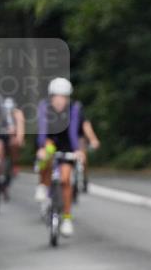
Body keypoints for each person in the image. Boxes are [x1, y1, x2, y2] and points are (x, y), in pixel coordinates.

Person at [34, 77, 101, 236]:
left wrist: (77, 150)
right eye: (56, 97)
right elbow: (42, 129)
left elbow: (73, 131)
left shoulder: (74, 109)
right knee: (47, 152)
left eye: (63, 97)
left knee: (65, 180)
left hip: (67, 144)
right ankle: (42, 185)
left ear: (68, 97)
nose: (59, 101)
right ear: (51, 97)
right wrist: (41, 147)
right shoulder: (45, 107)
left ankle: (67, 218)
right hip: (51, 140)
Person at [2, 97, 26, 177]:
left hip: (13, 136)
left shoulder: (18, 114)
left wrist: (19, 139)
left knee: (15, 144)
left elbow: (20, 129)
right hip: (1, 136)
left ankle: (15, 163)